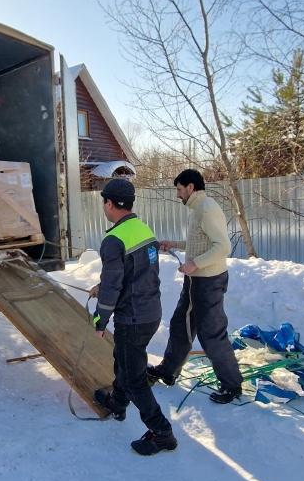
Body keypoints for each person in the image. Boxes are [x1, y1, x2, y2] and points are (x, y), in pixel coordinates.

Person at [89, 178, 177, 456]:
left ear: (110, 203)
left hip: (133, 318)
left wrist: (100, 319)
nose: (104, 206)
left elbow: (115, 286)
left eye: (104, 201)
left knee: (134, 378)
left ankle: (162, 433)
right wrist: (103, 286)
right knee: (123, 359)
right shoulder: (141, 230)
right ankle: (117, 402)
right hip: (150, 312)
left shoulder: (113, 239)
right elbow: (135, 274)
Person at [147, 169, 243, 403]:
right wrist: (176, 244)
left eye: (180, 189)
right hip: (196, 281)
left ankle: (232, 385)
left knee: (212, 334)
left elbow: (222, 247)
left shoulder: (206, 209)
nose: (178, 195)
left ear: (191, 187)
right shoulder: (197, 209)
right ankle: (168, 371)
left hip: (208, 282)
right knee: (181, 325)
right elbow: (201, 241)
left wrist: (194, 264)